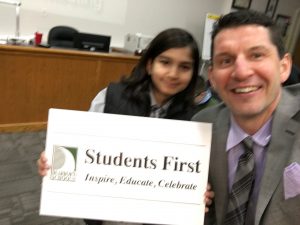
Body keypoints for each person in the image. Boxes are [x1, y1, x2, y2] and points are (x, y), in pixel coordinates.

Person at [38, 27, 214, 225]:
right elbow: (79, 146)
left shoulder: (195, 119)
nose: (173, 73)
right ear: (149, 65)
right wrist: (54, 162)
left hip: (156, 216)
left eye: (184, 67)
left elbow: (192, 173)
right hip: (106, 215)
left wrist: (197, 192)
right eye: (165, 62)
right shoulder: (111, 97)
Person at [192, 10, 300, 225]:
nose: (241, 72)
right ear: (212, 77)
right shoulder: (200, 128)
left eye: (257, 55)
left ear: (284, 67)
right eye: (226, 60)